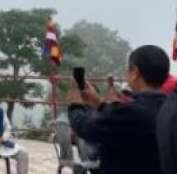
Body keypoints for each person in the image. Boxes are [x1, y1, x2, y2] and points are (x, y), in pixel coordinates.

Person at [69, 44, 169, 174]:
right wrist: (99, 104)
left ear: (134, 72)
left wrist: (75, 104)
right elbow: (118, 122)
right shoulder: (169, 108)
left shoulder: (131, 112)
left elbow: (87, 128)